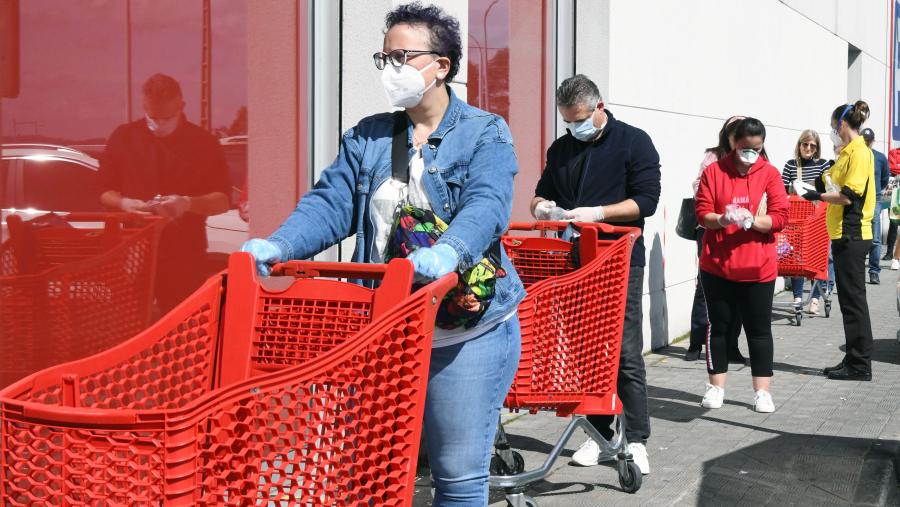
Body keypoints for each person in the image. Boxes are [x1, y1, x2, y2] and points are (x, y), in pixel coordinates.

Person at [240, 3, 526, 504]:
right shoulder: (371, 136)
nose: (391, 67)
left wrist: (449, 251)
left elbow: (487, 205)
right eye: (384, 56)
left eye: (403, 56)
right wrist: (279, 244)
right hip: (384, 327)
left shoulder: (485, 132)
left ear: (442, 65)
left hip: (464, 329)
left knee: (457, 479)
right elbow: (330, 204)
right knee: (369, 472)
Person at [531, 74, 660, 474]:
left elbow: (647, 201)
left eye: (581, 119)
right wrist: (542, 208)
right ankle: (602, 434)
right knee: (586, 351)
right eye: (568, 120)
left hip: (618, 257)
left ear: (599, 107)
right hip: (573, 260)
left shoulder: (633, 141)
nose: (575, 127)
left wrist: (600, 213)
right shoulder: (562, 148)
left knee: (623, 350)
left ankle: (636, 438)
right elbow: (540, 191)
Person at [98, 73, 231, 314]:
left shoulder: (203, 143)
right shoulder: (124, 137)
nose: (159, 125)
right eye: (153, 118)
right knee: (132, 326)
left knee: (184, 325)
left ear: (182, 106)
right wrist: (125, 203)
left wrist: (187, 203)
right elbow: (103, 191)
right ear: (144, 108)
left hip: (184, 255)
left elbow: (222, 201)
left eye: (167, 118)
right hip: (135, 253)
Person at [694, 118, 789, 413]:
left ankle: (762, 392)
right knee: (719, 327)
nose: (751, 154)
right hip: (718, 265)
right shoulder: (714, 171)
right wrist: (723, 219)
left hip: (757, 268)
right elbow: (702, 213)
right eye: (746, 148)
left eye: (757, 149)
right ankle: (715, 387)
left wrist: (755, 221)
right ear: (733, 143)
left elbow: (780, 215)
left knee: (758, 330)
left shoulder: (769, 173)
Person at [795, 101, 875, 381]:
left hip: (852, 234)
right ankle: (853, 357)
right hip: (843, 234)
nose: (831, 130)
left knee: (854, 302)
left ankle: (860, 364)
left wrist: (814, 196)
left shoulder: (860, 153)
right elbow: (832, 182)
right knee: (849, 302)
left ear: (841, 124)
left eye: (832, 125)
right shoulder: (847, 153)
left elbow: (848, 196)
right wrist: (814, 185)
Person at [685, 116, 747, 363]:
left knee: (739, 287)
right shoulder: (713, 156)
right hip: (711, 228)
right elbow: (699, 188)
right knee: (705, 286)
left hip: (741, 231)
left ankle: (731, 344)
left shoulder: (755, 157)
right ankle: (695, 342)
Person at [781, 130, 834, 313]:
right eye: (805, 144)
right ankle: (797, 296)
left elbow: (829, 188)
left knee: (819, 258)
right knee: (796, 259)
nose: (809, 148)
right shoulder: (790, 166)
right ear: (800, 145)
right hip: (796, 219)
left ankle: (816, 299)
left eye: (813, 145)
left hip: (817, 220)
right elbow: (781, 191)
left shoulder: (823, 165)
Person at [860, 128, 889, 284]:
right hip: (858, 200)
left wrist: (875, 192)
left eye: (869, 140)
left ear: (873, 141)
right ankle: (856, 271)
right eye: (864, 140)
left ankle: (874, 271)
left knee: (875, 238)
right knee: (856, 237)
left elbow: (884, 179)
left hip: (874, 200)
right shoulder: (856, 156)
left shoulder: (880, 158)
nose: (866, 142)